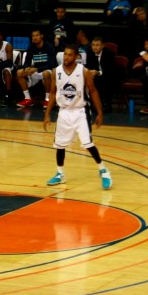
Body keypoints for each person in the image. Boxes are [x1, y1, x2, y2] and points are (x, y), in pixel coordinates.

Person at [43, 45, 113, 190]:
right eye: (65, 54)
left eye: (70, 55)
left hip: (80, 111)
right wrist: (47, 114)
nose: (66, 57)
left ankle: (103, 170)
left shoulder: (84, 71)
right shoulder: (56, 72)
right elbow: (52, 92)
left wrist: (100, 113)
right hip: (63, 112)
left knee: (87, 143)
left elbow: (93, 92)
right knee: (60, 145)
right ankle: (60, 174)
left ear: (76, 57)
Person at [16, 28, 57, 108]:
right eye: (33, 36)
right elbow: (27, 62)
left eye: (37, 35)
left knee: (45, 73)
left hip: (47, 71)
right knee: (19, 72)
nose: (34, 37)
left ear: (42, 36)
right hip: (36, 71)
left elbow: (52, 64)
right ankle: (28, 98)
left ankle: (48, 99)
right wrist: (27, 68)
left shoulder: (49, 46)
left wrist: (37, 69)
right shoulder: (31, 48)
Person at [85, 37, 117, 112]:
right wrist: (90, 72)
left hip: (109, 75)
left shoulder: (109, 53)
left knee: (105, 81)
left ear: (102, 46)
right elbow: (87, 66)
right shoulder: (89, 52)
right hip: (95, 75)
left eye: (97, 45)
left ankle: (106, 105)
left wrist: (98, 72)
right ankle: (90, 104)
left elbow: (111, 69)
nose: (95, 47)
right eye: (93, 45)